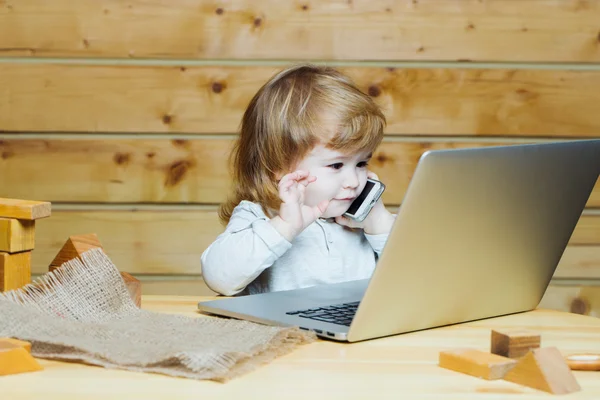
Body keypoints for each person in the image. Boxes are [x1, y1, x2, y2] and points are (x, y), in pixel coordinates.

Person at [201, 64, 396, 296]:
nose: (354, 181)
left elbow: (420, 281)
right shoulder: (260, 216)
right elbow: (219, 278)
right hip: (286, 331)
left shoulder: (365, 221)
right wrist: (284, 227)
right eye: (336, 165)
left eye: (362, 163)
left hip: (357, 329)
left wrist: (381, 225)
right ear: (280, 166)